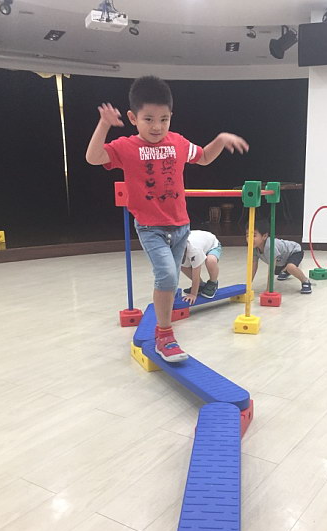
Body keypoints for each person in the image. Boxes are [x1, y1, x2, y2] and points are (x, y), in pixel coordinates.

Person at [86, 75, 249, 362]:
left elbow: (203, 157)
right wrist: (104, 124)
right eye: (148, 119)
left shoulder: (178, 142)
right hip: (151, 228)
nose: (157, 127)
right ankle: (165, 336)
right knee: (167, 276)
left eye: (164, 119)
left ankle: (165, 329)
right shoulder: (126, 146)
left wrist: (221, 140)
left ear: (171, 116)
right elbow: (93, 157)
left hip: (181, 226)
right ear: (133, 118)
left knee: (170, 282)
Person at [248, 219, 312, 294]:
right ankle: (286, 271)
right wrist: (248, 286)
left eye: (254, 235)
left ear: (264, 236)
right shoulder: (254, 248)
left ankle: (305, 281)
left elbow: (271, 269)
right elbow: (253, 266)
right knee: (277, 271)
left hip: (295, 250)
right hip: (281, 260)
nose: (249, 238)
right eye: (247, 235)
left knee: (290, 267)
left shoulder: (270, 246)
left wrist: (268, 289)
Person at [181, 230, 222, 303]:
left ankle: (213, 283)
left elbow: (196, 273)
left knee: (211, 260)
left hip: (212, 245)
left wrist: (193, 294)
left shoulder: (194, 249)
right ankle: (201, 285)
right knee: (182, 265)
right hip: (199, 243)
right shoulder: (175, 248)